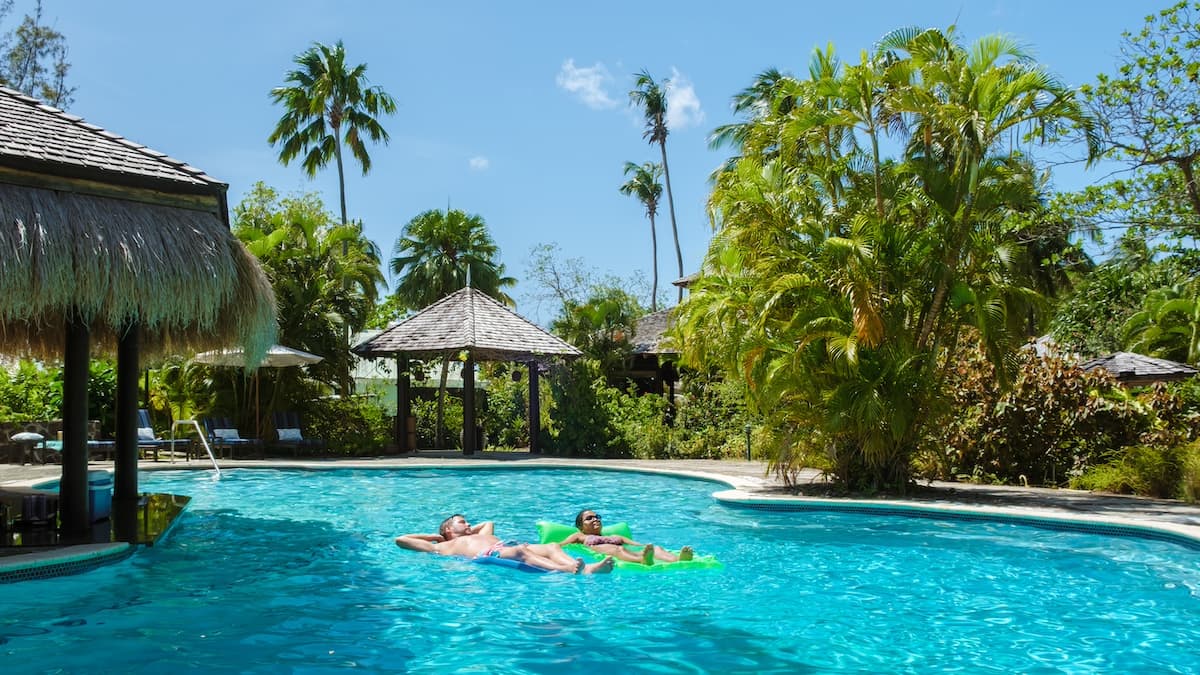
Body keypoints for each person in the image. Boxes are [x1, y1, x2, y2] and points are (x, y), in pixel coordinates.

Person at [395, 514, 614, 574]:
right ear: (449, 529)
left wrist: (465, 528)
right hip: (490, 554)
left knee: (552, 547)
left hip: (505, 546)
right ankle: (568, 569)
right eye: (463, 522)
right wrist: (437, 536)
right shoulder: (442, 547)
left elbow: (488, 523)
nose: (469, 524)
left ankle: (587, 568)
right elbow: (401, 540)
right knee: (520, 551)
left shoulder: (477, 533)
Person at [560, 509, 694, 564]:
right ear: (581, 526)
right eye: (589, 518)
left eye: (597, 517)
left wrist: (649, 548)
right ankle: (641, 560)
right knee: (618, 550)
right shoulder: (579, 536)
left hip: (626, 549)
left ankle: (678, 559)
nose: (596, 519)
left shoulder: (615, 536)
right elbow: (559, 546)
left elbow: (636, 545)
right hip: (611, 551)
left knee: (656, 548)